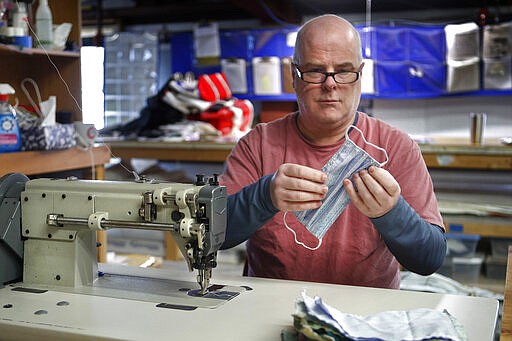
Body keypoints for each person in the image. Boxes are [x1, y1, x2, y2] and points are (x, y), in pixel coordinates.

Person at [219, 14, 446, 289]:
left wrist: (392, 213)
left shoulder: (396, 148)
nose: (330, 84)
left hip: (365, 316)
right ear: (294, 76)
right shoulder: (257, 145)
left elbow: (430, 259)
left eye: (344, 71)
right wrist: (264, 196)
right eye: (315, 71)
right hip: (272, 305)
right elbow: (213, 236)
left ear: (360, 74)